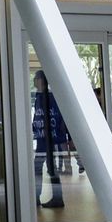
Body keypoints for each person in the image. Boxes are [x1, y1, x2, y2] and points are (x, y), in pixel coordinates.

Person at [30, 70, 70, 209]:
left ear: (41, 80)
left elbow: (54, 115)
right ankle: (50, 197)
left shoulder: (49, 96)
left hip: (47, 138)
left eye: (36, 78)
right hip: (43, 137)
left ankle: (45, 197)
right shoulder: (40, 96)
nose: (34, 81)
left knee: (43, 167)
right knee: (47, 167)